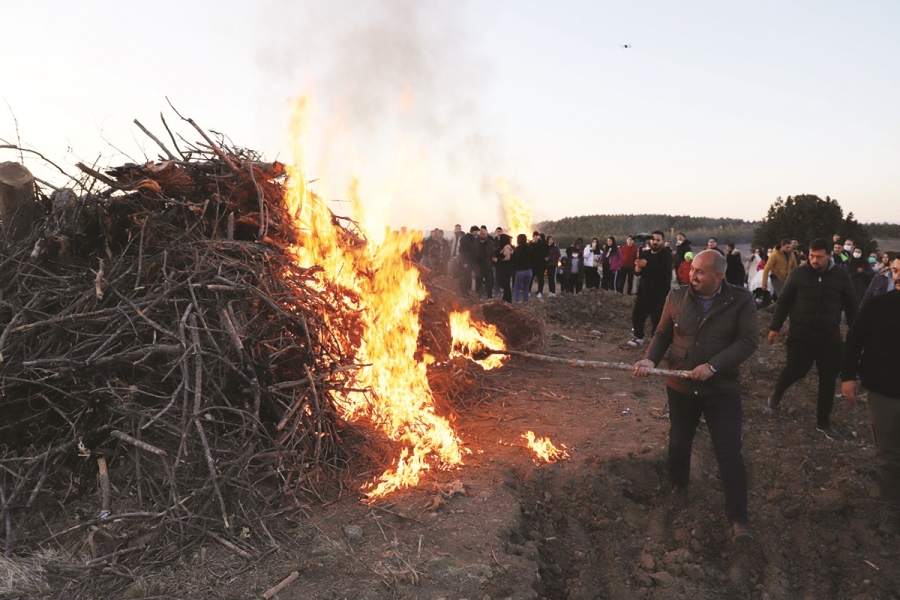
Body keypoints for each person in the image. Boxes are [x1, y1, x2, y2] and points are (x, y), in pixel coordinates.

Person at [634, 250, 759, 542]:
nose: (693, 276)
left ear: (719, 276)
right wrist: (650, 359)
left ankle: (739, 518)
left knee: (729, 452)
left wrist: (713, 366)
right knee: (679, 440)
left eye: (701, 272)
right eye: (692, 270)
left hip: (721, 390)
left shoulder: (740, 300)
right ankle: (679, 486)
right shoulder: (676, 298)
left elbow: (748, 341)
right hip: (681, 386)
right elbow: (662, 334)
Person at [766, 239, 858, 439]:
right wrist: (775, 327)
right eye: (812, 256)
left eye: (820, 257)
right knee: (796, 369)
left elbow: (851, 305)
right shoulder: (798, 274)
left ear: (829, 256)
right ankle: (779, 390)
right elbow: (784, 302)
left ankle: (823, 422)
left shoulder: (841, 276)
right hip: (801, 336)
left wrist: (856, 332)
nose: (815, 260)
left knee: (828, 379)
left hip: (829, 338)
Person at [841, 255, 900, 535]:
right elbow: (854, 340)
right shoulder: (879, 306)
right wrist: (849, 377)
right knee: (888, 455)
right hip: (885, 393)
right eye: (897, 272)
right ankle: (893, 512)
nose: (898, 277)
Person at [628, 231, 673, 346]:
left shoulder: (666, 255)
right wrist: (637, 269)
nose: (655, 242)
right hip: (644, 291)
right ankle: (638, 337)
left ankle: (656, 342)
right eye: (653, 240)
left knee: (657, 319)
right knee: (638, 315)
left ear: (662, 241)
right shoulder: (645, 254)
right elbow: (638, 273)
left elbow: (663, 269)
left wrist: (646, 265)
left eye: (658, 240)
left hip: (659, 293)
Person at [512, 234, 534, 302]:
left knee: (517, 288)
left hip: (520, 271)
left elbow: (513, 260)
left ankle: (516, 302)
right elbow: (534, 259)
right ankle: (525, 302)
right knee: (526, 288)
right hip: (529, 271)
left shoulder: (517, 249)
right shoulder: (530, 248)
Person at [473, 228, 494, 298]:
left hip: (487, 265)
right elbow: (472, 253)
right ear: (480, 235)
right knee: (478, 280)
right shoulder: (475, 242)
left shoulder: (490, 243)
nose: (485, 236)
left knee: (489, 282)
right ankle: (479, 295)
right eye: (483, 234)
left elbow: (493, 253)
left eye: (486, 234)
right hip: (478, 265)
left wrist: (493, 263)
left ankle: (489, 296)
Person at [457, 226, 479, 295]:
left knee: (468, 277)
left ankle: (466, 291)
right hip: (464, 262)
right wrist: (464, 262)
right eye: (477, 232)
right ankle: (462, 292)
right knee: (464, 277)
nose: (477, 233)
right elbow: (461, 251)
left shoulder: (473, 238)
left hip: (470, 262)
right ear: (474, 231)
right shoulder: (464, 238)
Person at [529, 232, 549, 298]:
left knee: (540, 278)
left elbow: (545, 254)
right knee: (531, 278)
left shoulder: (545, 245)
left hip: (541, 264)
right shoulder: (533, 244)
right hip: (534, 264)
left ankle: (540, 291)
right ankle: (529, 291)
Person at [495, 233, 514, 302]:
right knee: (505, 284)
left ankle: (508, 299)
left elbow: (507, 258)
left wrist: (498, 259)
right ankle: (505, 298)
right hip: (503, 268)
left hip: (504, 269)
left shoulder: (506, 247)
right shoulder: (503, 246)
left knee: (505, 284)